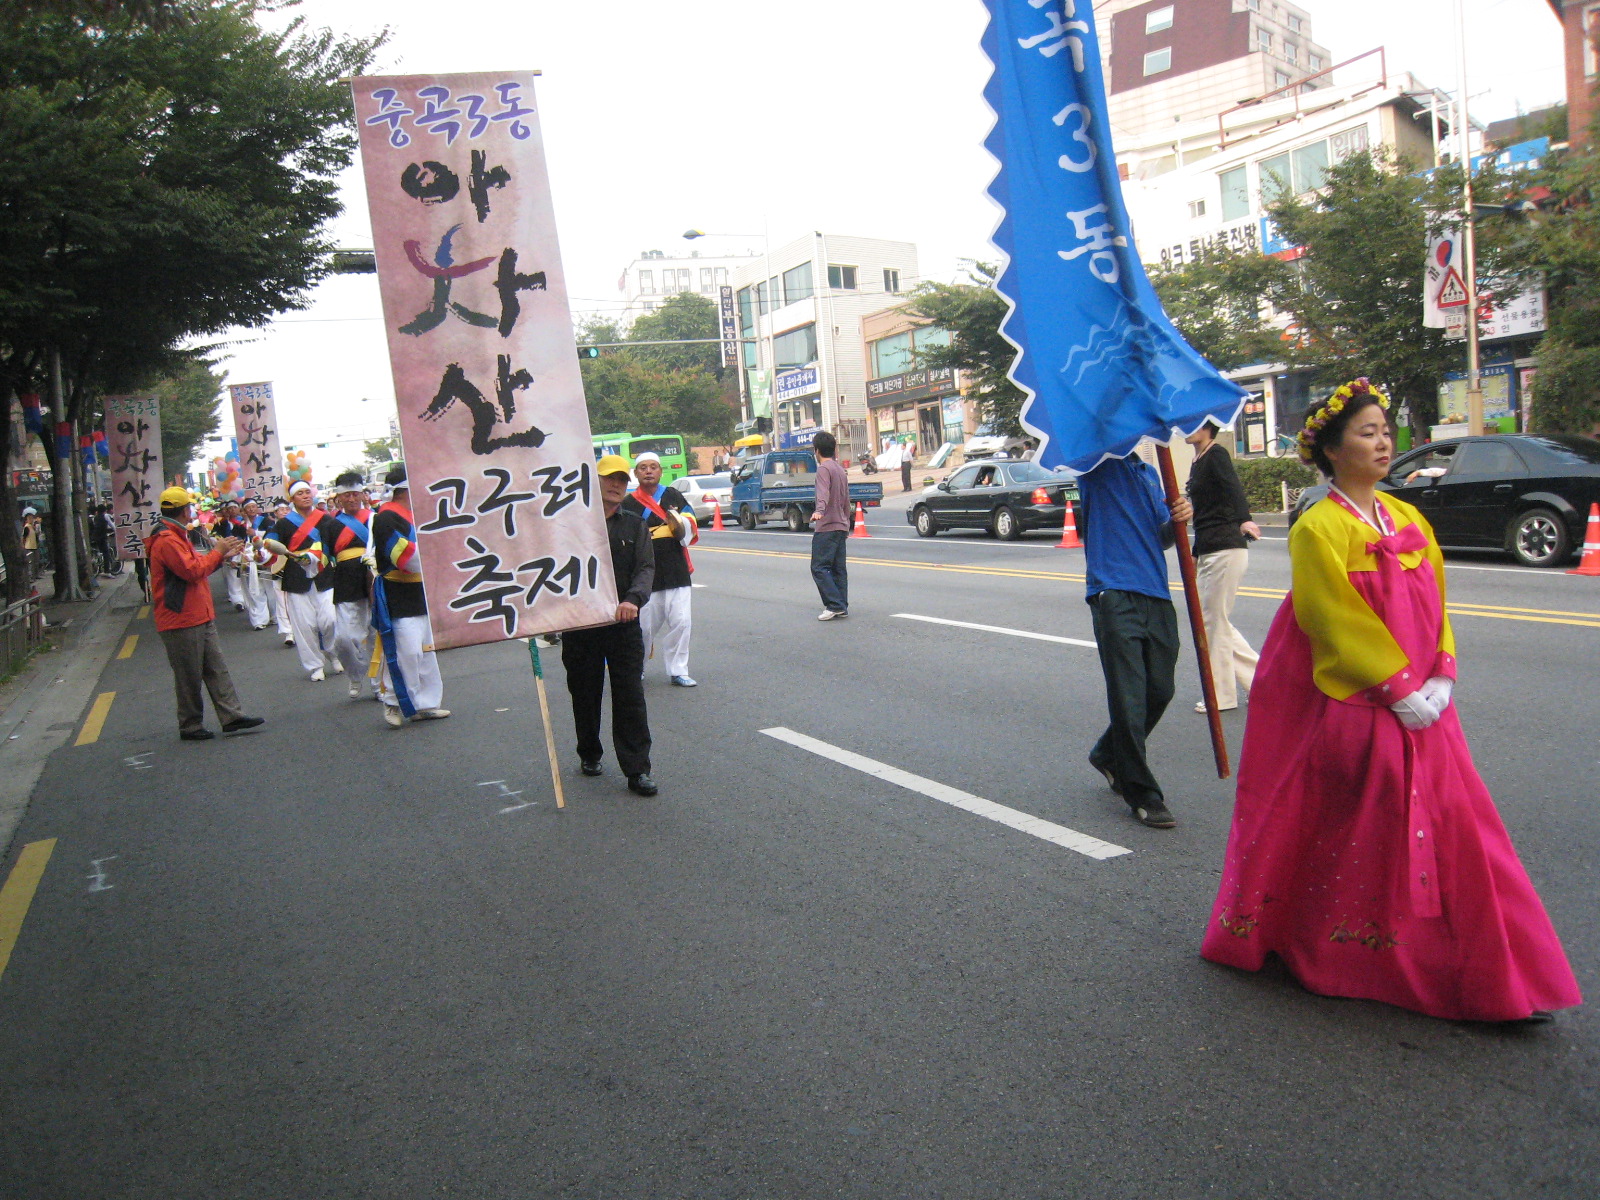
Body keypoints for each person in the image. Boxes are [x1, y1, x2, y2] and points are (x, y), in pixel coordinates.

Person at [1201, 379, 1581, 1023]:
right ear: (1330, 450)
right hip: (1357, 701)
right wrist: (1398, 689)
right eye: (1367, 433)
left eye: (1384, 432)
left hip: (1428, 705)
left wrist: (1443, 672)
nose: (1382, 443)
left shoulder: (1408, 519)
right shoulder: (1319, 525)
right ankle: (1340, 948)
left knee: (1462, 829)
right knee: (1358, 827)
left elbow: (1436, 604)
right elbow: (1331, 619)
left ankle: (1490, 972)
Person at [1078, 452, 1193, 829]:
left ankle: (1109, 754)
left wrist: (1177, 520)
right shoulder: (1095, 464)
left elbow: (1160, 537)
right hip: (1113, 591)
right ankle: (1143, 793)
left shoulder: (1150, 473)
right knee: (1129, 696)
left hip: (1156, 591)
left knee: (1160, 690)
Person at [560, 454, 656, 795]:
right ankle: (589, 752)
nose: (616, 485)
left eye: (621, 480)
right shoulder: (569, 522)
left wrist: (633, 600)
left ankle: (637, 770)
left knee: (630, 696)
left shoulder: (635, 524)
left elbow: (645, 568)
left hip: (623, 624)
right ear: (593, 481)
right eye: (609, 479)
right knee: (584, 694)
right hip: (581, 626)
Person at [145, 487, 265, 742]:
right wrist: (218, 552)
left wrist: (220, 555)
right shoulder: (167, 539)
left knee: (215, 668)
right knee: (189, 674)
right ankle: (190, 725)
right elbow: (192, 571)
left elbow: (196, 567)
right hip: (181, 617)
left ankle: (231, 716)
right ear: (186, 510)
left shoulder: (175, 535)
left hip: (196, 614)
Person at [1184, 420, 1260, 714]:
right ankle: (1262, 683)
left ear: (1207, 427)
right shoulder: (1197, 461)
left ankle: (1221, 696)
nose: (1184, 430)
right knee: (1216, 623)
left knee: (1213, 624)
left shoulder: (1216, 454)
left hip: (1227, 548)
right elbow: (1202, 514)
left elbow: (1232, 487)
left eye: (1190, 424)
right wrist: (1195, 553)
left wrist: (1245, 518)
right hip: (1209, 548)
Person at [370, 463, 448, 727]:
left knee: (427, 649)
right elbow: (404, 557)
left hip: (424, 589)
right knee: (407, 649)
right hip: (399, 592)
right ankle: (393, 701)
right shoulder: (385, 518)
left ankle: (426, 703)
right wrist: (438, 553)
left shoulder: (422, 514)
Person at [622, 451, 697, 687]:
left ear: (660, 471)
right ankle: (637, 667)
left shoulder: (673, 495)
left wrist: (679, 523)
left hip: (676, 570)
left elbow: (690, 520)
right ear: (636, 473)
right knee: (643, 628)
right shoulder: (628, 503)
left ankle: (678, 670)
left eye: (653, 467)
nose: (648, 471)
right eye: (643, 467)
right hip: (646, 574)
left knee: (682, 622)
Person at [272, 481, 340, 681]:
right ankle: (315, 665)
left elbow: (335, 543)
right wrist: (262, 548)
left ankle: (333, 652)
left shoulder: (325, 519)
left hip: (325, 574)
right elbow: (271, 543)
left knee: (330, 619)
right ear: (292, 499)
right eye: (300, 493)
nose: (305, 496)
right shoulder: (284, 523)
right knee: (304, 626)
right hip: (296, 578)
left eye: (307, 492)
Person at [327, 472, 380, 700]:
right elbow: (322, 556)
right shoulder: (330, 524)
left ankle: (379, 684)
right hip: (346, 580)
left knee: (375, 633)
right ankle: (355, 675)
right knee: (345, 638)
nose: (351, 499)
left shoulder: (375, 519)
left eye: (355, 494)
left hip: (374, 577)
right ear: (338, 498)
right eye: (346, 495)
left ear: (362, 494)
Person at [808, 431, 851, 620]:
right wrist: (847, 522)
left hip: (827, 526)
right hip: (841, 525)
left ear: (816, 450)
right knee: (838, 568)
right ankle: (841, 605)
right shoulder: (840, 469)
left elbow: (823, 492)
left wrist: (819, 510)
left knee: (819, 567)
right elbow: (846, 500)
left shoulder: (823, 469)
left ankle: (834, 604)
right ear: (834, 449)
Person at [213, 501, 248, 612]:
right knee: (233, 577)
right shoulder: (221, 523)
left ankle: (245, 599)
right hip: (229, 551)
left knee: (245, 577)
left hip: (243, 550)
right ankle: (238, 600)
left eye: (235, 507)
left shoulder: (243, 522)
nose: (232, 510)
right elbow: (214, 536)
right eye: (230, 508)